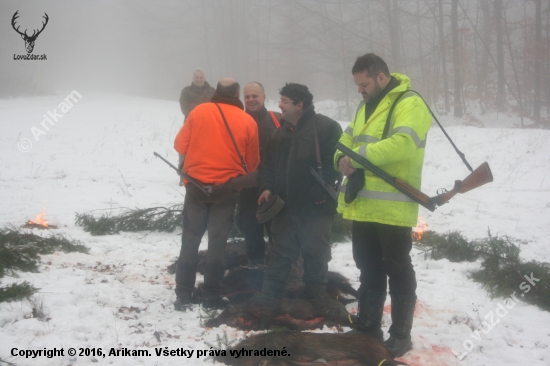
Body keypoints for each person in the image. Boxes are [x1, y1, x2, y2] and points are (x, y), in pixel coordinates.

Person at [334, 53, 431, 357]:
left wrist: (356, 157)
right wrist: (341, 160)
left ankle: (401, 334)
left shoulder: (410, 102)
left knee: (398, 269)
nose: (359, 91)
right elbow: (344, 142)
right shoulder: (366, 106)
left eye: (363, 84)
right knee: (368, 268)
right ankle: (367, 326)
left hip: (393, 207)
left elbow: (403, 145)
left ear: (380, 77)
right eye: (356, 86)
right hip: (362, 204)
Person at [173, 78, 260, 311]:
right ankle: (211, 296)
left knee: (190, 241)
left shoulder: (198, 111)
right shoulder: (248, 121)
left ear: (215, 92)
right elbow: (252, 164)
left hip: (195, 188)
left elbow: (180, 145)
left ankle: (183, 294)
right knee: (217, 244)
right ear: (238, 94)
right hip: (226, 191)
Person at [258, 83, 342, 300]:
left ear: (300, 105)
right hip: (284, 210)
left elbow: (334, 163)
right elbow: (267, 165)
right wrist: (266, 188)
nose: (280, 106)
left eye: (284, 101)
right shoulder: (279, 134)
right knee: (278, 258)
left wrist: (320, 191)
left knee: (316, 257)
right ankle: (267, 305)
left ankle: (314, 304)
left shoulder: (327, 127)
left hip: (316, 210)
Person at [239, 81, 281, 267]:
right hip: (247, 189)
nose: (251, 100)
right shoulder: (237, 120)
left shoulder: (277, 119)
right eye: (247, 96)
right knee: (251, 234)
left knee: (277, 235)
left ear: (264, 97)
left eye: (255, 96)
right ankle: (254, 273)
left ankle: (279, 276)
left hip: (274, 188)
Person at [177, 69, 215, 185]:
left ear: (204, 78)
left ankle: (205, 175)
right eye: (197, 77)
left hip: (210, 126)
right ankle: (183, 174)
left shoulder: (212, 91)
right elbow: (184, 107)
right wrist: (202, 110)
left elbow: (217, 106)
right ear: (193, 78)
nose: (199, 79)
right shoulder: (186, 91)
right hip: (191, 125)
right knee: (185, 149)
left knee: (208, 151)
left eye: (201, 77)